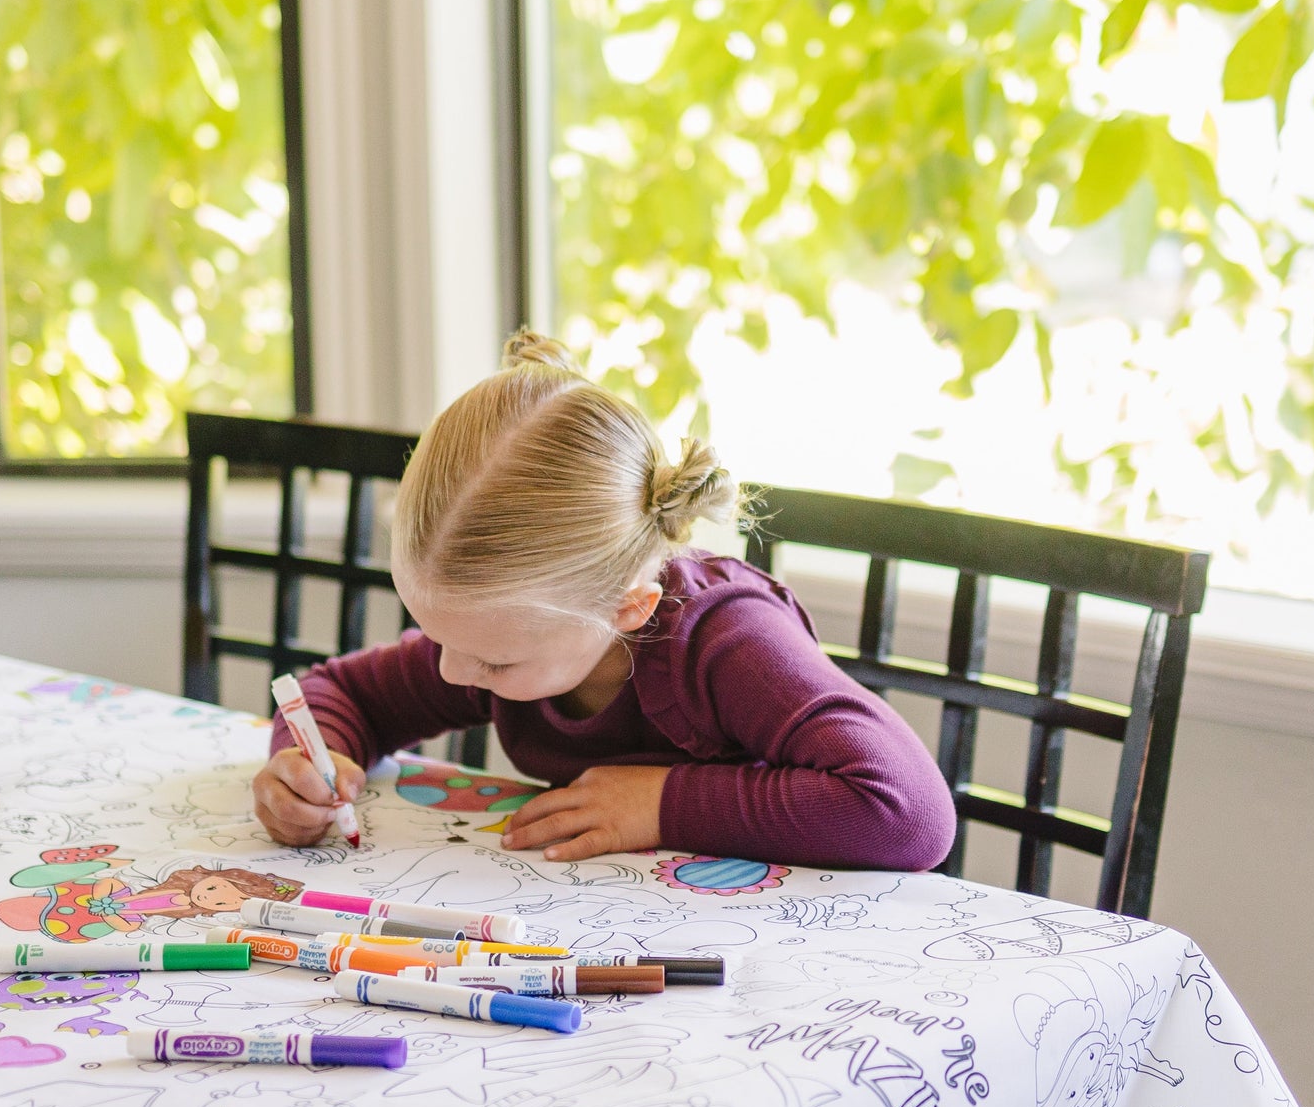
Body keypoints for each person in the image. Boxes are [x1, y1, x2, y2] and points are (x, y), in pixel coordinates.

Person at [252, 331, 957, 869]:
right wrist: (308, 767)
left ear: (629, 609)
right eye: (439, 638)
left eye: (493, 664)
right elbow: (336, 692)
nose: (449, 673)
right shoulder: (509, 630)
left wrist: (660, 806)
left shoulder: (726, 641)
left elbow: (908, 812)